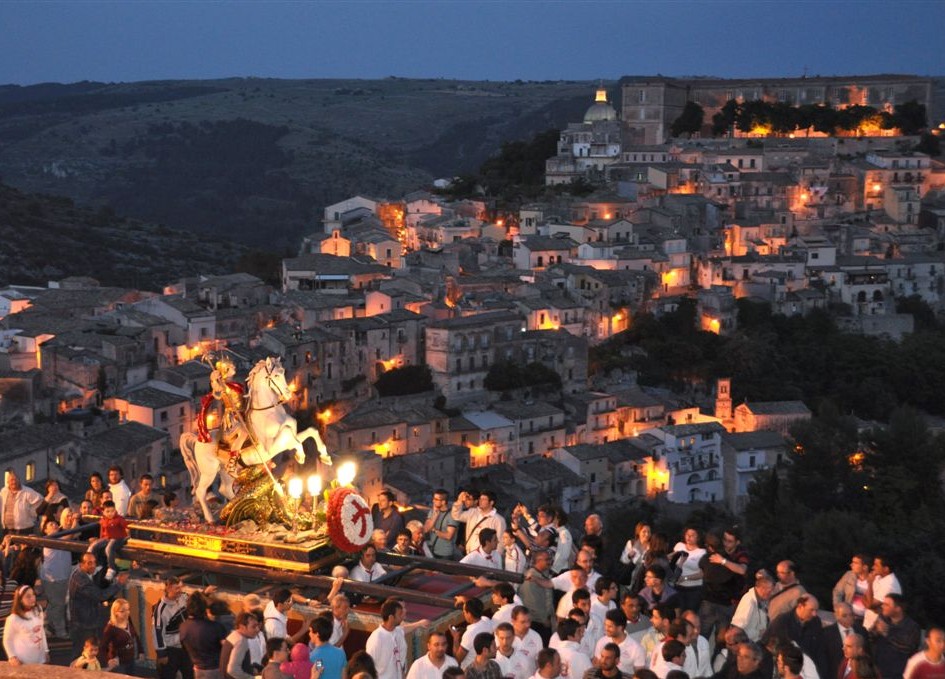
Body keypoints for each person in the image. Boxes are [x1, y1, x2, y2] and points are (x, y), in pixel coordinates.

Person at [154, 575, 217, 679]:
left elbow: (194, 602)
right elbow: (157, 632)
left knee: (189, 674)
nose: (180, 590)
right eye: (177, 588)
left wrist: (205, 593)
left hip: (185, 647)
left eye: (181, 587)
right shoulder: (161, 610)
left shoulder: (183, 597)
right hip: (171, 650)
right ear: (168, 588)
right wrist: (161, 654)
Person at [68, 552, 128, 658]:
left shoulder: (79, 573)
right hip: (85, 624)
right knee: (82, 653)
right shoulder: (82, 581)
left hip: (81, 621)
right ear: (81, 564)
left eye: (94, 562)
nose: (93, 565)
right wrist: (119, 584)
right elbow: (100, 595)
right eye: (89, 563)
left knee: (83, 651)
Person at [762, 594, 827, 679]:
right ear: (800, 606)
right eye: (811, 610)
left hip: (809, 670)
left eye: (816, 610)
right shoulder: (782, 621)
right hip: (787, 670)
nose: (814, 614)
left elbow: (820, 649)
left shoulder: (815, 622)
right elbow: (766, 644)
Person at [871, 592, 921, 679]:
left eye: (887, 605)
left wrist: (887, 634)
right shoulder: (883, 619)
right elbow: (870, 637)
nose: (882, 606)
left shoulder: (912, 627)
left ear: (898, 608)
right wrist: (875, 631)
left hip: (898, 673)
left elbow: (907, 647)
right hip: (878, 670)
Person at [180, 591, 227, 679]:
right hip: (215, 669)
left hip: (197, 669)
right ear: (205, 608)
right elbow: (226, 649)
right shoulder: (215, 627)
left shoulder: (183, 627)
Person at [39, 518, 71, 639]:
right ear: (46, 530)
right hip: (53, 579)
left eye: (55, 523)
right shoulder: (49, 540)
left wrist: (73, 522)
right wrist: (73, 523)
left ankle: (43, 624)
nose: (55, 525)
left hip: (61, 577)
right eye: (51, 524)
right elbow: (70, 536)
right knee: (58, 605)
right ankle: (60, 631)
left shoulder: (59, 537)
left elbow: (75, 533)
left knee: (55, 603)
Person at [2, 584, 48, 665]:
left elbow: (41, 631)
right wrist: (12, 657)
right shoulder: (13, 618)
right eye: (28, 596)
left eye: (33, 594)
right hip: (23, 660)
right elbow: (7, 640)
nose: (32, 598)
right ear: (20, 600)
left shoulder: (38, 610)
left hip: (40, 658)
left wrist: (46, 650)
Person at [452, 490, 507, 555]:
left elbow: (501, 542)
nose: (480, 501)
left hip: (486, 556)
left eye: (484, 499)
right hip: (470, 553)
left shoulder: (498, 520)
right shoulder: (473, 512)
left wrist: (495, 558)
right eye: (480, 499)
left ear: (491, 502)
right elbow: (457, 516)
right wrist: (459, 501)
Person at [594, 609, 647, 675]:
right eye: (605, 625)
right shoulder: (601, 642)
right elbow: (597, 666)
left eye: (610, 626)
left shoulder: (636, 648)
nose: (606, 629)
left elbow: (640, 675)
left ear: (620, 627)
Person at [366, 598, 409, 679]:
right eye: (399, 614)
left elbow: (401, 663)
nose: (402, 617)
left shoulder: (398, 632)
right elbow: (369, 666)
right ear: (391, 617)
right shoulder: (376, 638)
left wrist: (419, 624)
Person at [99, 597, 144, 674]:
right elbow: (102, 647)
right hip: (119, 662)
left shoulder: (127, 619)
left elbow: (135, 635)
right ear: (115, 612)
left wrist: (141, 651)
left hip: (130, 658)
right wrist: (107, 661)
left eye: (128, 609)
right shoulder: (110, 628)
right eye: (123, 611)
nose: (127, 613)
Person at [87, 499, 129, 581]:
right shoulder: (103, 520)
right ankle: (92, 565)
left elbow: (127, 527)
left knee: (108, 549)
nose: (110, 513)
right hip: (107, 538)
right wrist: (100, 539)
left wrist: (127, 536)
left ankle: (111, 568)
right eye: (108, 511)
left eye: (112, 511)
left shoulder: (119, 519)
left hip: (117, 537)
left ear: (115, 510)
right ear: (103, 512)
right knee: (92, 546)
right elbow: (102, 531)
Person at [824, 601, 866, 679]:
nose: (849, 618)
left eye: (851, 615)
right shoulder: (826, 634)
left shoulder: (861, 631)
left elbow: (867, 654)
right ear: (836, 616)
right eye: (844, 616)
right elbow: (824, 660)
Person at [730, 569, 774, 642]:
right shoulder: (749, 601)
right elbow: (738, 627)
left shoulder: (760, 600)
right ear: (763, 589)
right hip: (747, 643)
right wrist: (759, 632)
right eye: (770, 591)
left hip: (753, 641)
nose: (771, 593)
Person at [453, 597, 494, 668]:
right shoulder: (486, 620)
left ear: (469, 614)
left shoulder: (469, 634)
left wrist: (455, 638)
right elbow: (475, 607)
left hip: (471, 671)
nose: (464, 614)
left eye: (464, 612)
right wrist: (465, 600)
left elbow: (457, 659)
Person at [672, 527, 705, 613]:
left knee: (689, 614)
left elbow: (702, 573)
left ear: (698, 537)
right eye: (687, 534)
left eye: (692, 535)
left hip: (693, 589)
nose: (689, 537)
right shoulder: (679, 546)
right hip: (677, 586)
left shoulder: (702, 552)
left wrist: (685, 578)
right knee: (677, 613)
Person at [863, 555, 901, 631]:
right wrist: (869, 603)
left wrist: (870, 583)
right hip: (868, 624)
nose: (873, 567)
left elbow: (870, 605)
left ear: (886, 569)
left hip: (878, 629)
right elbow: (863, 598)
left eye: (876, 565)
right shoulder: (877, 577)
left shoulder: (890, 585)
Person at [0, 470, 43, 537]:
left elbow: (40, 500)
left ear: (19, 480)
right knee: (8, 546)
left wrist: (32, 512)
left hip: (23, 529)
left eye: (15, 480)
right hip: (7, 529)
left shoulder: (27, 491)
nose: (14, 482)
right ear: (8, 482)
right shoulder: (3, 491)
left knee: (23, 547)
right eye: (11, 480)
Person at [833, 554, 872, 623]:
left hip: (866, 620)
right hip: (848, 616)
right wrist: (838, 609)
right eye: (852, 562)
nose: (851, 565)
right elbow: (837, 592)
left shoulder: (875, 581)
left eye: (855, 563)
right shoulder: (849, 575)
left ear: (865, 567)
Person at [424, 489, 458, 559]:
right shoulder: (432, 512)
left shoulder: (452, 515)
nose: (433, 501)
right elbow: (426, 529)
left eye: (436, 499)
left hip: (445, 553)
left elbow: (449, 536)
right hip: (433, 550)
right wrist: (435, 516)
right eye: (433, 498)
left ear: (443, 502)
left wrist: (434, 530)